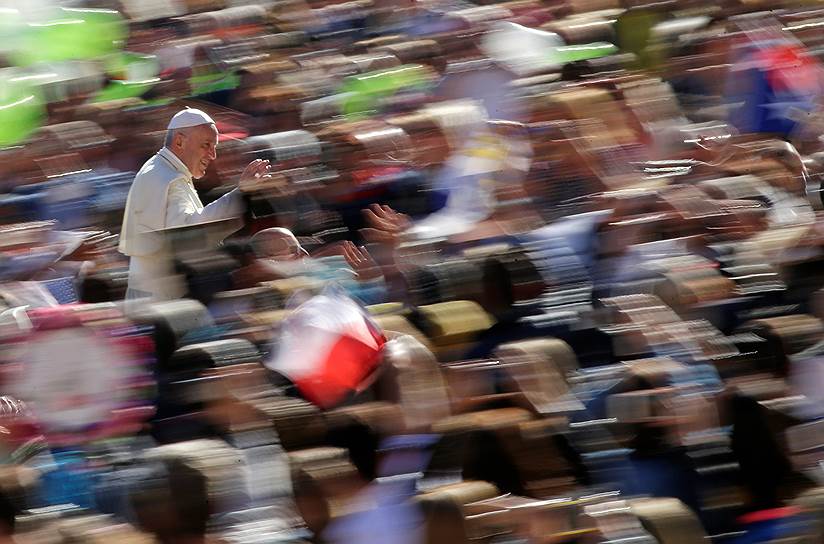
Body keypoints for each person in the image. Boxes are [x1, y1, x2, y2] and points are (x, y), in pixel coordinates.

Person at [119, 107, 271, 301]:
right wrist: (241, 192)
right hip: (163, 298)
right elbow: (189, 231)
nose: (213, 155)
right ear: (180, 141)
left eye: (214, 147)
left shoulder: (161, 169)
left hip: (158, 292)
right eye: (206, 145)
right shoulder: (165, 177)